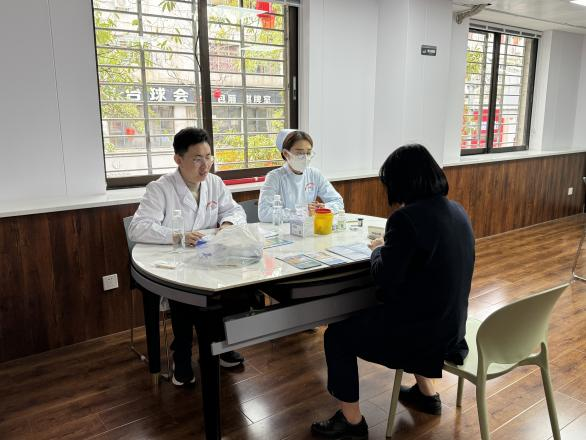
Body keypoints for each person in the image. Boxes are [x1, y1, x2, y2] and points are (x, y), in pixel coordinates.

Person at [311, 144, 475, 439]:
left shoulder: (405, 219)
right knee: (416, 304)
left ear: (400, 182)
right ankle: (427, 394)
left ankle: (351, 422)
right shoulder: (457, 210)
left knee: (337, 335)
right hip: (451, 328)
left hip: (422, 336)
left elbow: (384, 278)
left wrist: (378, 250)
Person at [129, 127, 247, 387]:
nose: (205, 165)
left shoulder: (214, 183)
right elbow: (137, 228)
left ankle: (221, 345)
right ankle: (181, 353)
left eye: (209, 157)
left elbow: (235, 211)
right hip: (173, 261)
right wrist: (177, 235)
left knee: (232, 291)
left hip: (209, 257)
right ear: (178, 159)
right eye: (197, 159)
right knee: (184, 295)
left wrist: (227, 223)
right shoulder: (160, 188)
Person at [258, 129, 344, 221]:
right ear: (286, 154)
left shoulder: (314, 174)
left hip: (308, 226)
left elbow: (338, 202)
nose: (305, 158)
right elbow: (264, 213)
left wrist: (324, 208)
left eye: (308, 153)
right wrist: (302, 212)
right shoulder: (274, 177)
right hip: (284, 228)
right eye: (299, 153)